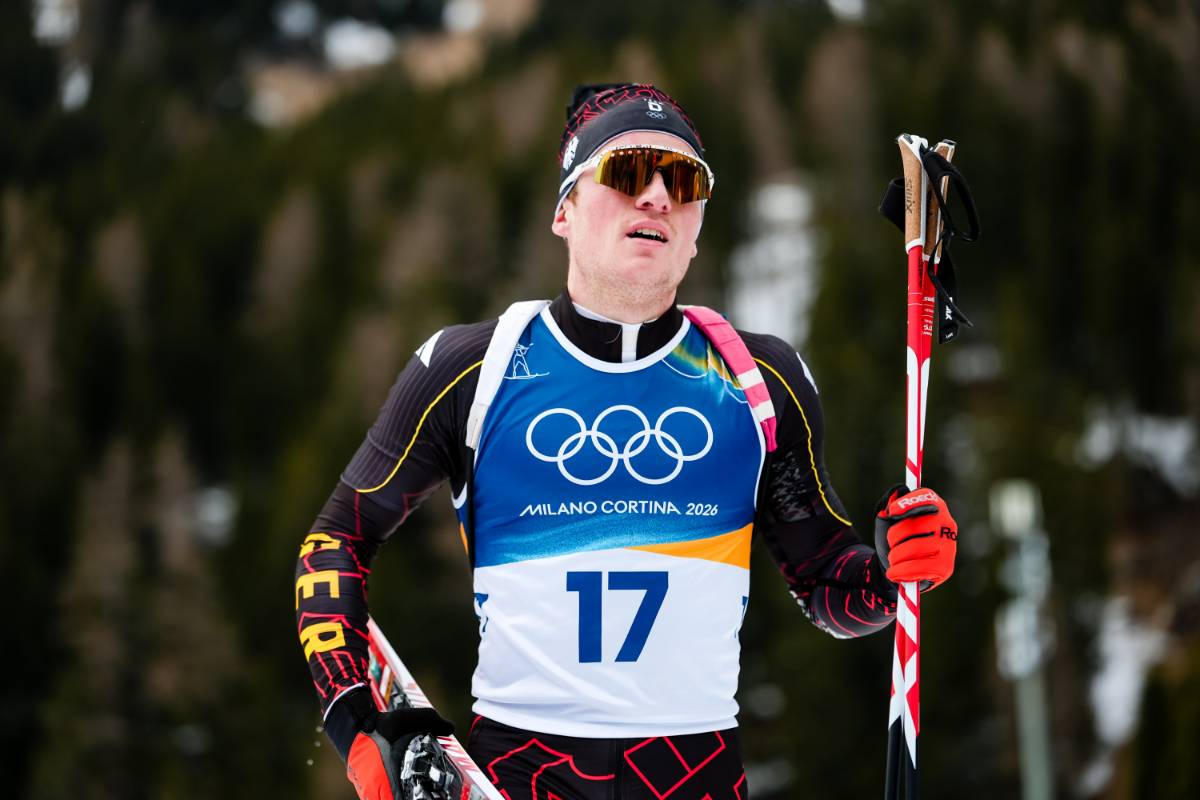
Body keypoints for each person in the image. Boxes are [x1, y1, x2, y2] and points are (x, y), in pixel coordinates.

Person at [295, 83, 959, 799]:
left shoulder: (758, 379)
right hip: (522, 769)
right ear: (564, 210)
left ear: (698, 227)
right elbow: (335, 542)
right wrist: (355, 725)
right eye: (627, 171)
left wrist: (895, 573)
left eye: (684, 180)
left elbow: (826, 585)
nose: (657, 197)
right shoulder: (473, 368)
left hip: (696, 774)